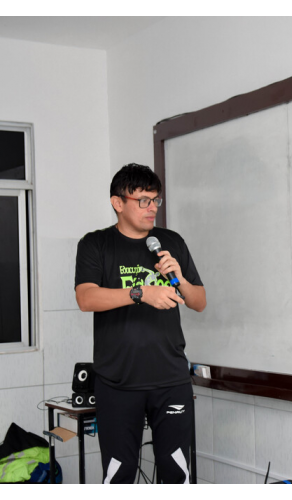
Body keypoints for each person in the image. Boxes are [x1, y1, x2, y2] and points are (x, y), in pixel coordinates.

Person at [74, 163, 206, 484]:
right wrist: (141, 292)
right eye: (143, 200)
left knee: (176, 474)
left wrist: (179, 278)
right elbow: (86, 298)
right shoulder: (95, 244)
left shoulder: (170, 242)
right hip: (118, 382)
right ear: (118, 203)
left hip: (170, 379)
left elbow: (199, 302)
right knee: (119, 475)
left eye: (155, 200)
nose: (152, 208)